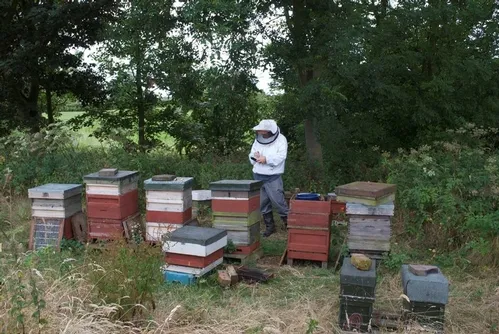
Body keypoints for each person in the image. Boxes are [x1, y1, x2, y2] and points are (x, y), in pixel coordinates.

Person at [249, 119, 289, 237]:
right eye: (260, 131)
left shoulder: (281, 139)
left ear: (270, 131)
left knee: (279, 202)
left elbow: (281, 156)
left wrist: (266, 159)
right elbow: (251, 153)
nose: (261, 133)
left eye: (263, 131)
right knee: (262, 203)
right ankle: (270, 227)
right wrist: (254, 157)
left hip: (273, 176)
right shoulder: (258, 140)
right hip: (258, 175)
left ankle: (290, 226)